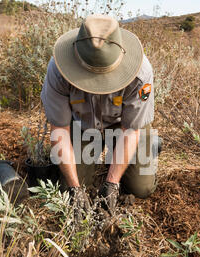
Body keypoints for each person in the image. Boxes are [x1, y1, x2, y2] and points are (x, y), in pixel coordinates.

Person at [41, 14, 160, 214]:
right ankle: (96, 166)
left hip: (124, 125)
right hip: (83, 125)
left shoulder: (140, 73)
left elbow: (130, 130)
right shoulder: (58, 70)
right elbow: (60, 129)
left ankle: (149, 145)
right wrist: (75, 188)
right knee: (65, 188)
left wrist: (112, 184)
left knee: (142, 188)